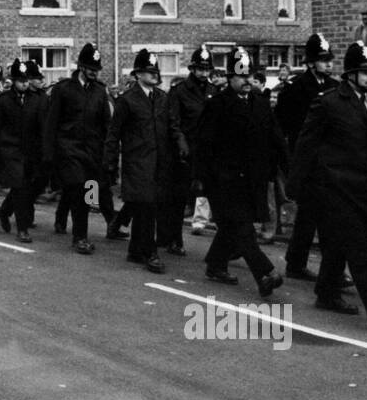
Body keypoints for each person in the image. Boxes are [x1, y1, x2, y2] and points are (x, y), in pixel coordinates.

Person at [287, 42, 367, 328]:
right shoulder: (329, 101)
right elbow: (306, 144)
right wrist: (295, 184)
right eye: (364, 72)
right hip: (333, 186)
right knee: (356, 244)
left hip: (365, 186)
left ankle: (326, 291)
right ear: (350, 74)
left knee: (337, 243)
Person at [192, 48, 287, 297]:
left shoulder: (261, 104)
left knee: (231, 228)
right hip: (224, 181)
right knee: (243, 229)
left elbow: (275, 139)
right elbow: (203, 145)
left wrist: (285, 168)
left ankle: (215, 264)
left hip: (252, 180)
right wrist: (202, 179)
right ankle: (264, 273)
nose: (246, 81)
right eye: (240, 76)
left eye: (249, 76)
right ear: (230, 78)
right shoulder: (218, 105)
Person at [274, 33, 337, 280]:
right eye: (323, 59)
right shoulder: (296, 89)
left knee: (314, 215)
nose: (328, 63)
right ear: (311, 62)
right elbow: (282, 125)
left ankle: (298, 261)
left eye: (330, 58)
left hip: (329, 160)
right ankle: (304, 264)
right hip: (307, 160)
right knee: (312, 214)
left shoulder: (334, 87)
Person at [104, 49, 172, 272]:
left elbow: (170, 127)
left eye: (156, 71)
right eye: (149, 71)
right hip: (137, 161)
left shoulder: (162, 98)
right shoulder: (127, 100)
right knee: (146, 207)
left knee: (148, 206)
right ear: (138, 74)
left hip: (159, 161)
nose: (154, 75)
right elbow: (114, 133)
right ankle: (150, 252)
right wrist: (110, 162)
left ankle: (135, 250)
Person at [43, 43, 111, 254]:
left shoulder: (100, 91)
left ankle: (62, 218)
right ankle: (80, 237)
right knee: (78, 189)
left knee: (83, 191)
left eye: (96, 69)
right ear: (81, 67)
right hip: (68, 149)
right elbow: (51, 123)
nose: (93, 72)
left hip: (92, 151)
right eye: (90, 68)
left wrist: (107, 152)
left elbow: (106, 124)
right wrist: (49, 153)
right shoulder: (63, 89)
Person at [162, 47, 215, 256]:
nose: (203, 73)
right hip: (185, 152)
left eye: (207, 69)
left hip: (207, 153)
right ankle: (174, 239)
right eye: (200, 69)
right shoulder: (180, 91)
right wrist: (181, 144)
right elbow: (174, 123)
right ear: (192, 68)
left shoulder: (213, 91)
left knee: (215, 196)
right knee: (179, 199)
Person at [0, 60, 41, 242]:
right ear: (13, 81)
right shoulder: (3, 102)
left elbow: (41, 127)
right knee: (20, 188)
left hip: (30, 151)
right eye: (20, 80)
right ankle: (22, 228)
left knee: (24, 188)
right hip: (10, 150)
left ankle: (4, 211)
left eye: (26, 80)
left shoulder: (36, 101)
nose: (24, 83)